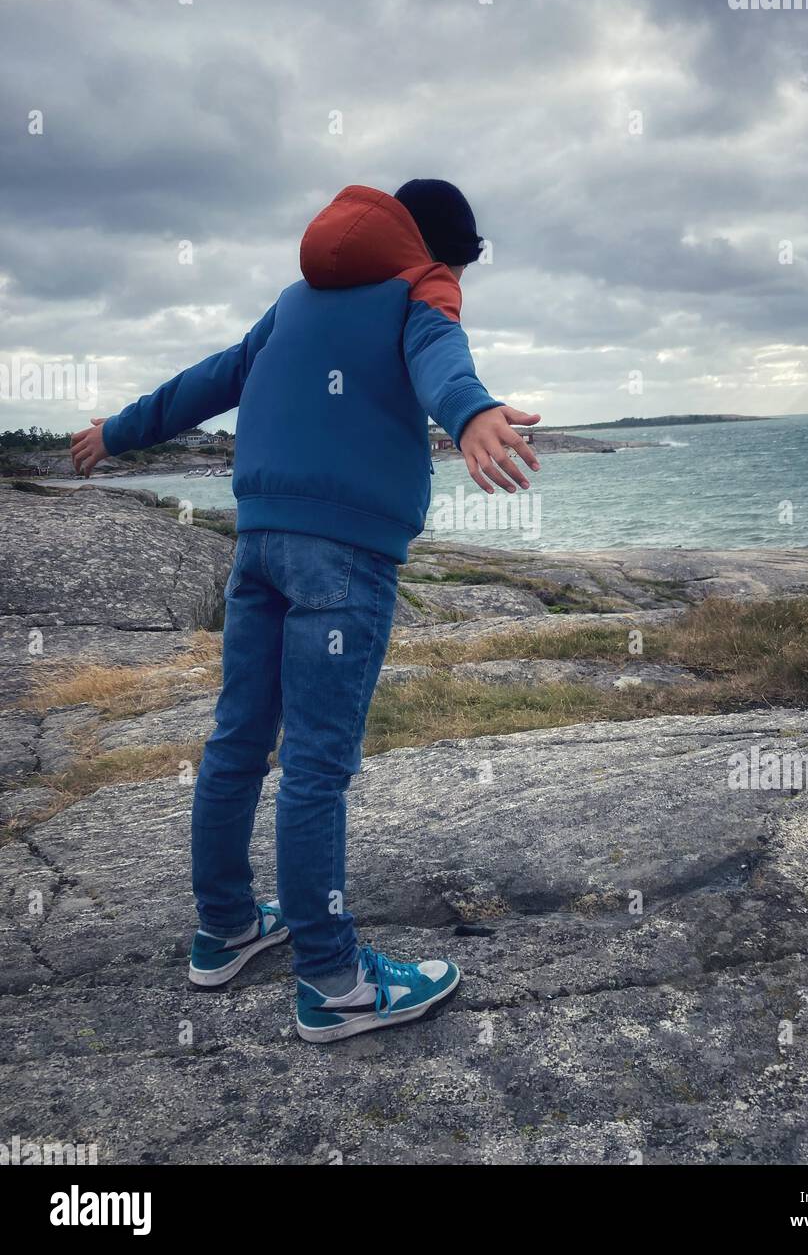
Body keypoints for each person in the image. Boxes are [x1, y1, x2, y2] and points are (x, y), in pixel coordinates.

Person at [70, 179, 540, 1043]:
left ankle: (226, 928)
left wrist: (119, 432)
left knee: (237, 741)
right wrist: (470, 413)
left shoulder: (293, 301)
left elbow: (206, 382)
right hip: (343, 555)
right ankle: (333, 982)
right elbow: (441, 358)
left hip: (258, 546)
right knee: (317, 766)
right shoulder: (422, 289)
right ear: (438, 250)